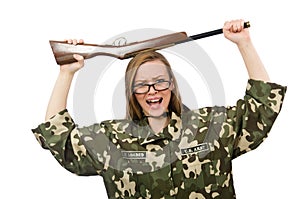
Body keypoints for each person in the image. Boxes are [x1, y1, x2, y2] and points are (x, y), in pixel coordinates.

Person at [32, 19, 286, 198]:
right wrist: (67, 73)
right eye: (142, 85)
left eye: (160, 81)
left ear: (172, 85)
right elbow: (61, 140)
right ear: (132, 92)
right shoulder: (111, 139)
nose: (152, 90)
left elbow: (261, 107)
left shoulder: (211, 125)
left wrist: (244, 44)